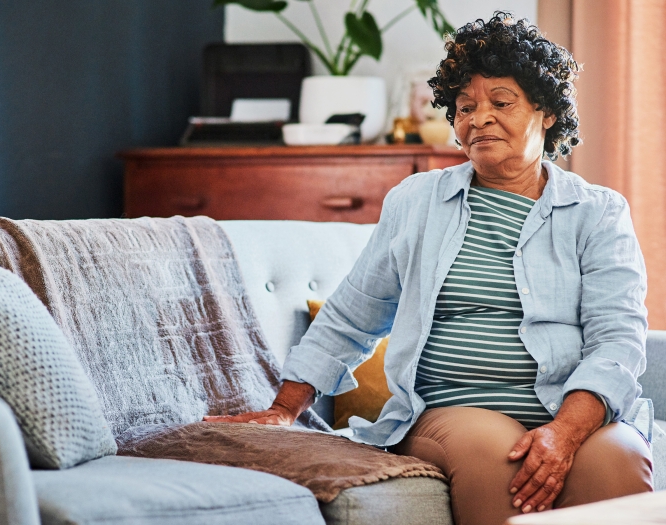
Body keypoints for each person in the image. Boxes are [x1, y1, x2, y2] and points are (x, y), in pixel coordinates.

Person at [205, 12, 653, 525]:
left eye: (500, 103)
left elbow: (617, 340)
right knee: (497, 457)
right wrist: (285, 408)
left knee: (619, 459)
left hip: (568, 409)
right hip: (453, 410)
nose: (478, 118)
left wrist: (566, 432)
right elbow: (353, 313)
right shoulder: (417, 201)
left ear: (546, 112)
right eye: (465, 107)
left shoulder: (598, 212)